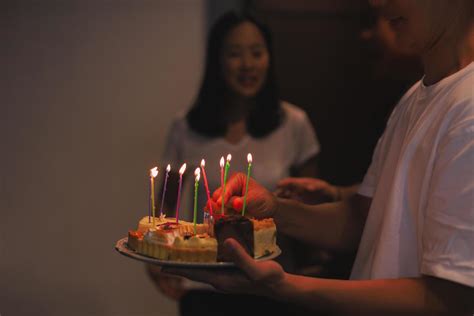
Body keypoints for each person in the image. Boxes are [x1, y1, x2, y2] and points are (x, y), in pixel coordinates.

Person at [164, 0, 474, 314]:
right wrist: (274, 208)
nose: (377, 3)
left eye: (256, 52)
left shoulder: (468, 109)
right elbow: (359, 220)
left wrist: (283, 286)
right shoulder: (412, 101)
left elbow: (450, 298)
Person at [149, 11, 321, 307]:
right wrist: (155, 255)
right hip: (205, 282)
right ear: (217, 60)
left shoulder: (294, 123)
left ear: (269, 57)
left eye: (257, 52)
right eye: (235, 54)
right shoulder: (187, 127)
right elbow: (166, 206)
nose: (248, 65)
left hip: (273, 282)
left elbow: (311, 202)